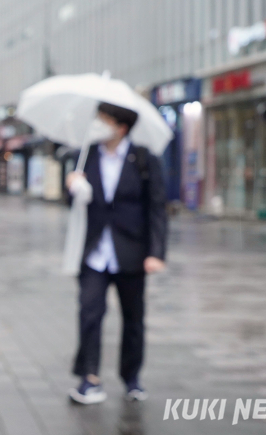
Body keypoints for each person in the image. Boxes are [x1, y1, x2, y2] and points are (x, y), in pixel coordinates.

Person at [66, 102, 167, 404]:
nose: (98, 125)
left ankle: (131, 378)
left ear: (121, 127)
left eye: (104, 120)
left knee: (133, 318)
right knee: (89, 313)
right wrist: (73, 187)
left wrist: (156, 252)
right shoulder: (84, 157)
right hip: (94, 251)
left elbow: (157, 209)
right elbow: (69, 204)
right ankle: (89, 377)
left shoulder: (144, 159)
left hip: (132, 251)